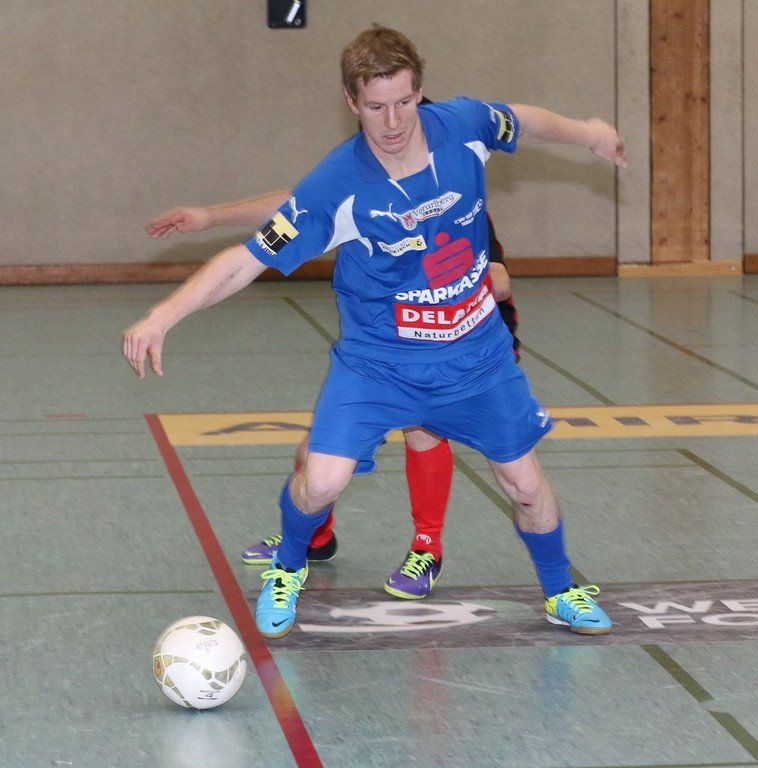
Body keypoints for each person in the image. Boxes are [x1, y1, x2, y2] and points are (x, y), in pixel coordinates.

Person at [124, 26, 626, 640]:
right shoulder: (336, 186)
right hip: (378, 363)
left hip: (475, 357)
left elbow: (525, 119)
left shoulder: (464, 126)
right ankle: (288, 567)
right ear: (351, 101)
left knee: (525, 485)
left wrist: (588, 132)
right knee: (320, 481)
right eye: (376, 106)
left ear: (420, 92)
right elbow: (247, 259)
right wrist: (163, 315)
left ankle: (560, 590)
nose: (392, 122)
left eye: (404, 102)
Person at [145, 166, 520, 602]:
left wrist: (434, 280)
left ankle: (427, 549)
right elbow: (296, 204)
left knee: (423, 431)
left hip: (459, 342)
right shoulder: (361, 188)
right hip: (388, 344)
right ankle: (317, 536)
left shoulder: (456, 198)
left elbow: (501, 281)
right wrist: (210, 217)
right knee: (313, 453)